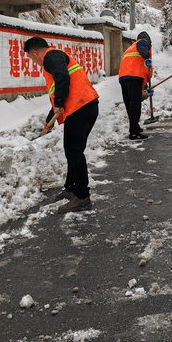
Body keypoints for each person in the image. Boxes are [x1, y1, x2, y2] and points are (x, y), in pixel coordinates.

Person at [24, 36, 99, 213]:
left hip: (81, 107)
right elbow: (58, 91)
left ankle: (82, 197)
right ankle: (71, 187)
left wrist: (58, 103)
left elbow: (62, 78)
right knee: (72, 151)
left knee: (74, 152)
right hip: (83, 106)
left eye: (31, 58)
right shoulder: (54, 59)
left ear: (35, 53)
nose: (34, 62)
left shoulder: (51, 56)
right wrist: (49, 121)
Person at [118, 31, 153, 140]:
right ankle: (134, 133)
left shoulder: (130, 48)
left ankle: (135, 127)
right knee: (135, 105)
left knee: (130, 105)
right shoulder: (142, 42)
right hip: (134, 77)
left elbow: (135, 63)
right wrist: (146, 56)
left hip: (124, 77)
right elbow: (142, 48)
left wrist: (145, 87)